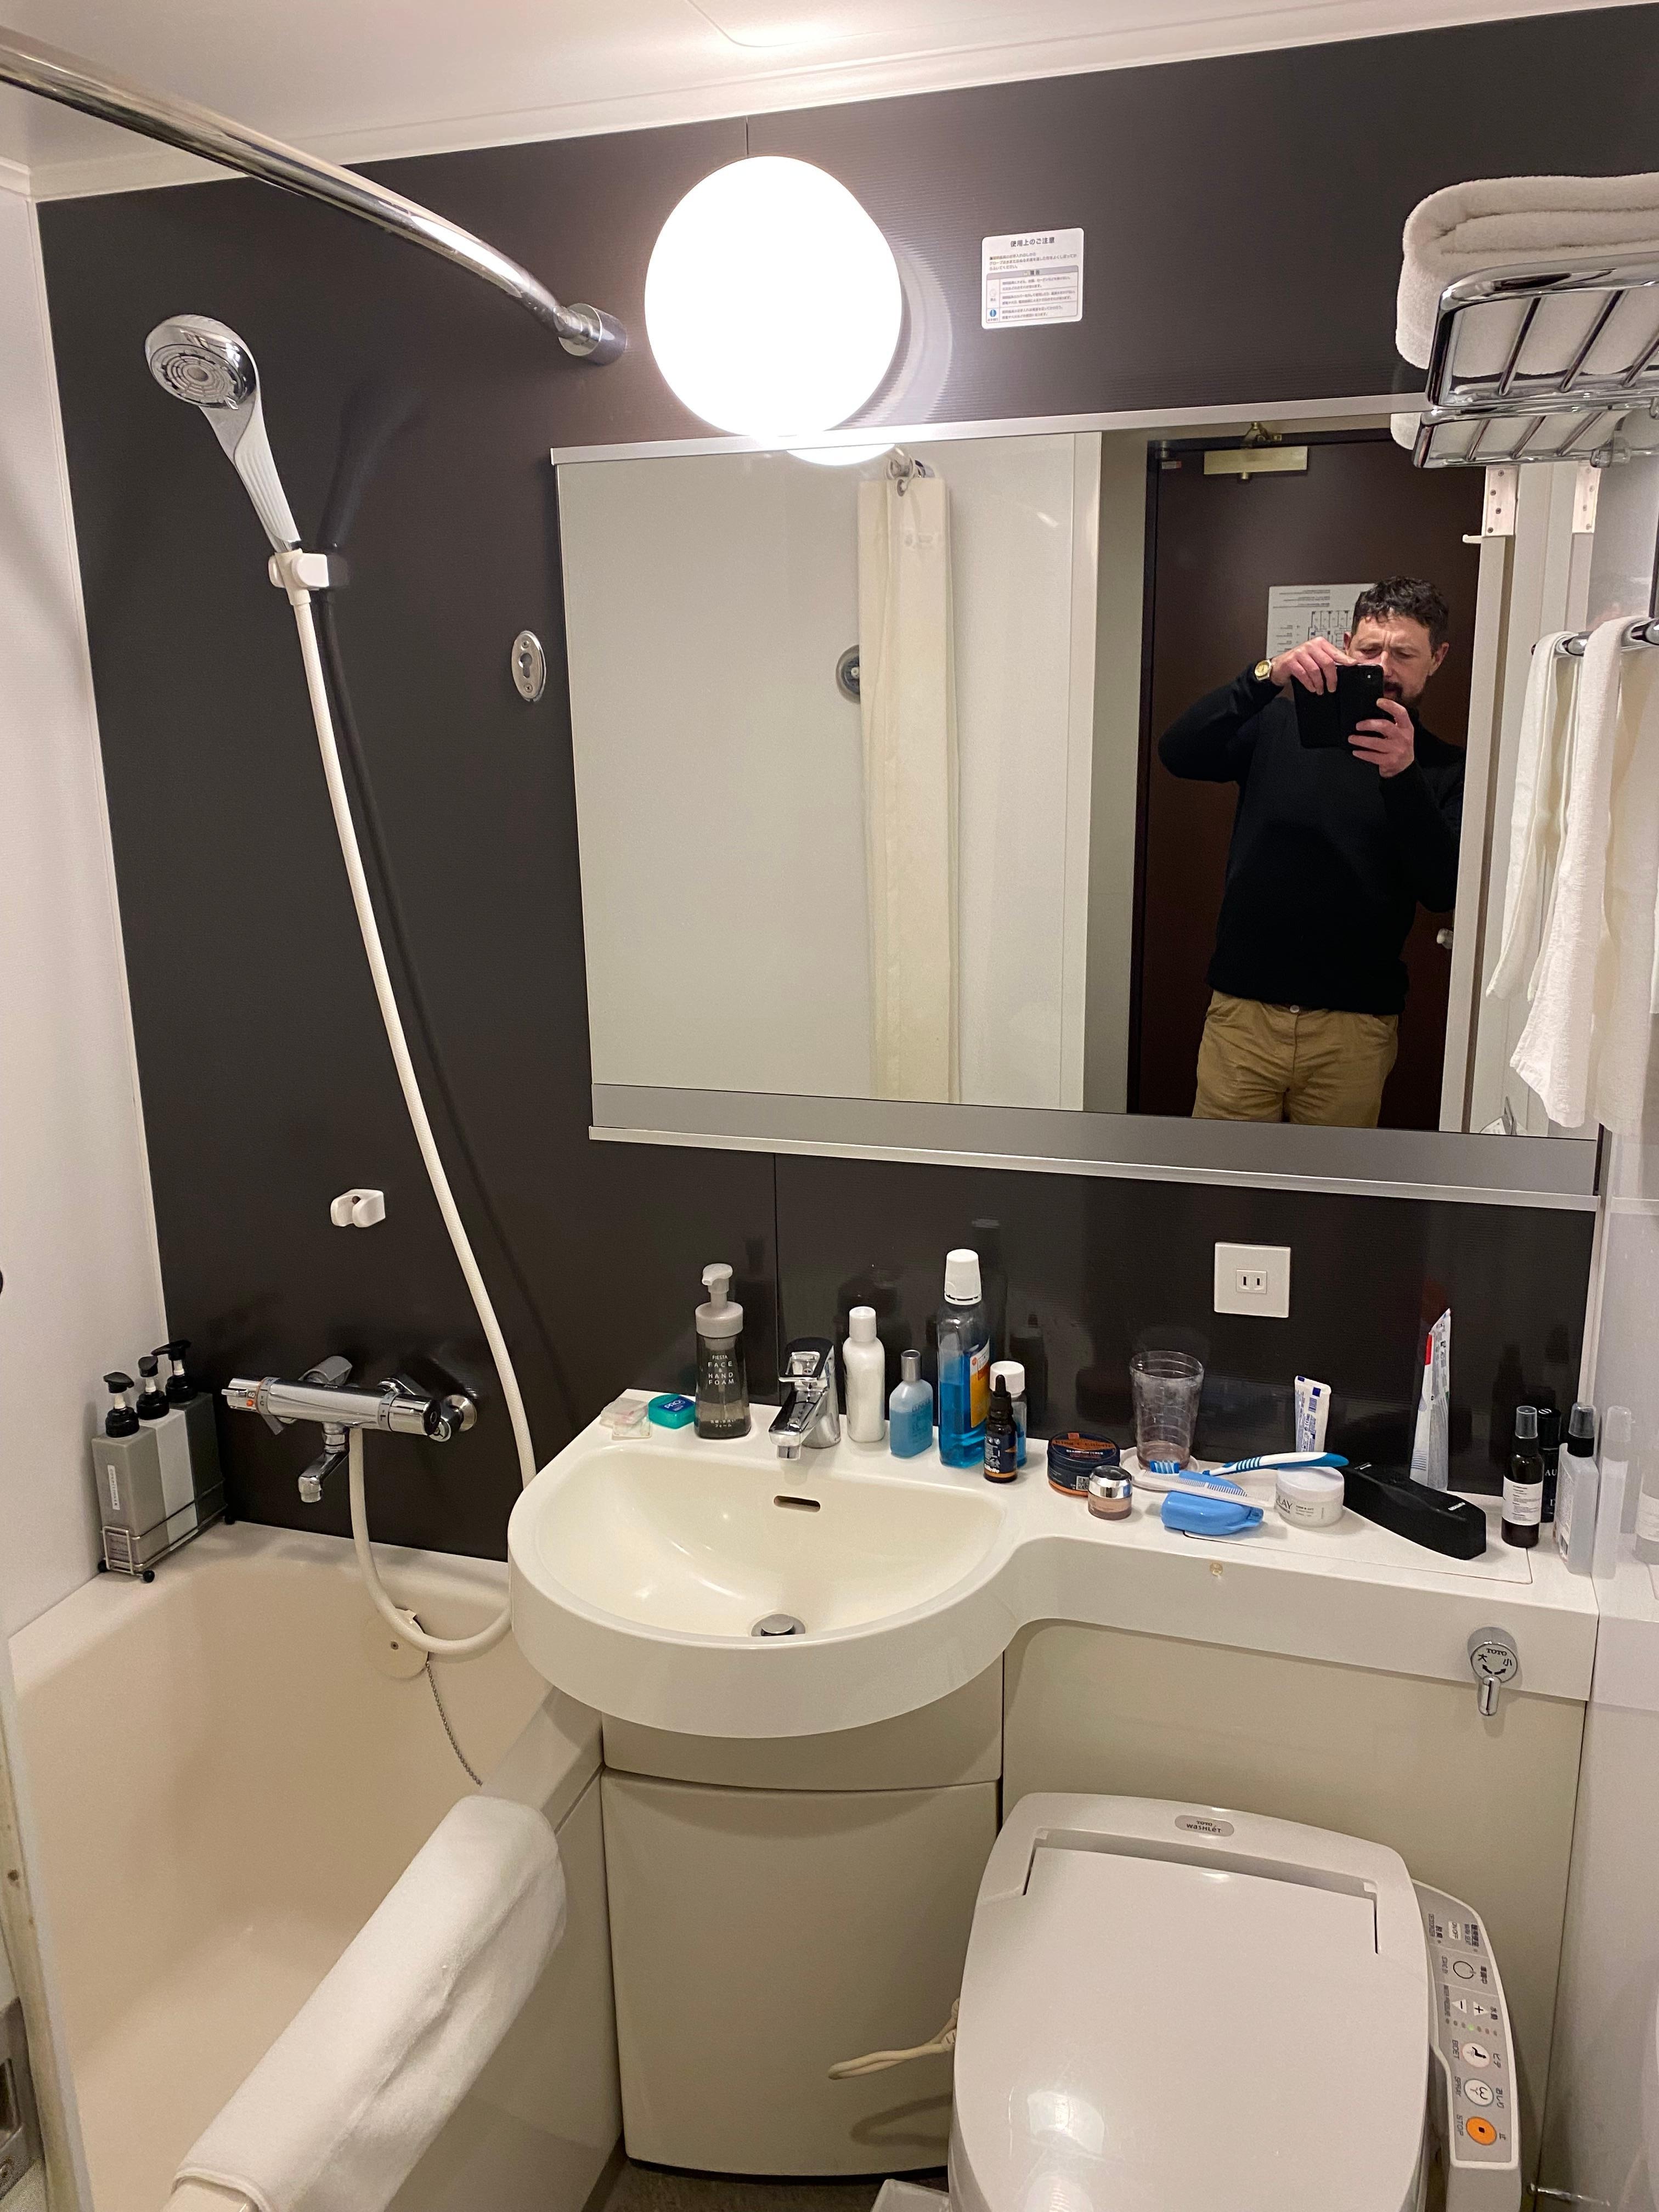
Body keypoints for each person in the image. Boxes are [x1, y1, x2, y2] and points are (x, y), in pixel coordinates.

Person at [1157, 575, 1464, 1128]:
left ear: (1436, 659)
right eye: (1370, 650)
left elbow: (1442, 889)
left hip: (1355, 1030)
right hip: (1244, 1015)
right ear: (1347, 645)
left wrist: (1402, 774)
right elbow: (1178, 753)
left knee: (1331, 1184)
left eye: (1404, 654)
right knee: (1221, 1176)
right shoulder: (1278, 724)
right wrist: (1265, 675)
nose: (1384, 668)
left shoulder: (1442, 767)